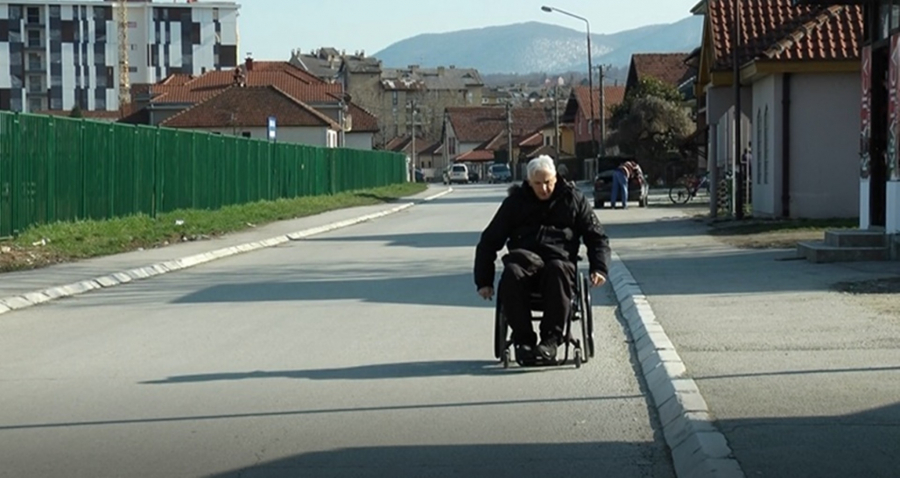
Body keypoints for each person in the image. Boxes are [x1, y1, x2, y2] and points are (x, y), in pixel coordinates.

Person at [474, 155, 612, 363]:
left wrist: (599, 268)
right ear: (529, 182)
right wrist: (484, 281)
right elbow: (489, 241)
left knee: (557, 269)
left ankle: (551, 340)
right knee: (511, 273)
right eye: (538, 183)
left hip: (559, 263)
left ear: (556, 178)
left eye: (548, 182)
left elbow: (597, 236)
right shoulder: (515, 203)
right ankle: (523, 341)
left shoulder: (573, 199)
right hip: (524, 264)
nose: (544, 188)